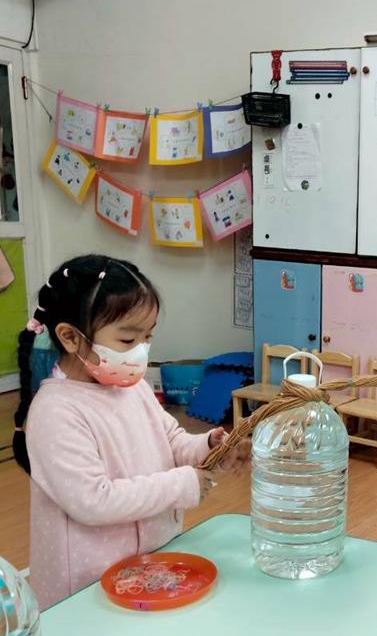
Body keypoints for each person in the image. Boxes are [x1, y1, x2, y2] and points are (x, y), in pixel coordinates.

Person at [13, 254, 249, 609]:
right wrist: (182, 485)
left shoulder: (131, 386)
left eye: (147, 336)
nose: (140, 351)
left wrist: (210, 447)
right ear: (70, 337)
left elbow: (170, 440)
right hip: (87, 588)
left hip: (149, 567)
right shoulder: (55, 411)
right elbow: (93, 501)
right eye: (127, 340)